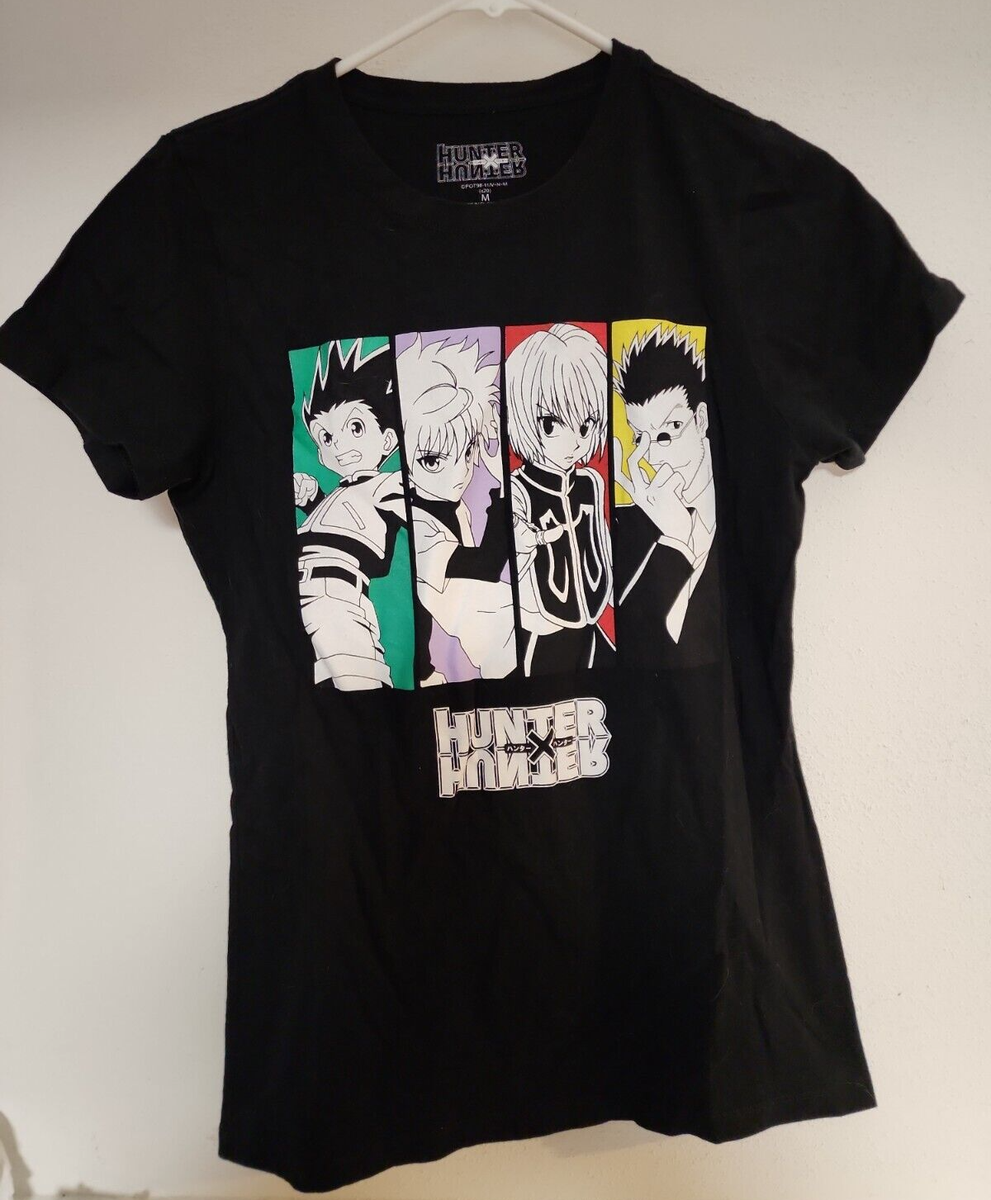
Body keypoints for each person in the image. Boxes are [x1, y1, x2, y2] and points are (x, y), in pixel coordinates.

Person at [294, 339, 408, 689]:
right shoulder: (343, 492)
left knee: (361, 684)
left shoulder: (386, 484)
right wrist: (313, 498)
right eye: (326, 437)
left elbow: (418, 507)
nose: (339, 445)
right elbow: (341, 522)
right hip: (300, 593)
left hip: (335, 592)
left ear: (388, 440)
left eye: (355, 428)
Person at [505, 323, 614, 675]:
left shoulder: (591, 483)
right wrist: (528, 541)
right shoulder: (517, 489)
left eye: (585, 425)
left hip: (593, 625)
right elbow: (507, 560)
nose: (574, 442)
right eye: (552, 424)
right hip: (542, 634)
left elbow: (602, 545)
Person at [612, 324, 720, 666]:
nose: (651, 456)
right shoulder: (631, 522)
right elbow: (629, 650)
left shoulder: (741, 501)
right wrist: (674, 543)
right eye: (640, 438)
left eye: (666, 434)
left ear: (700, 420)